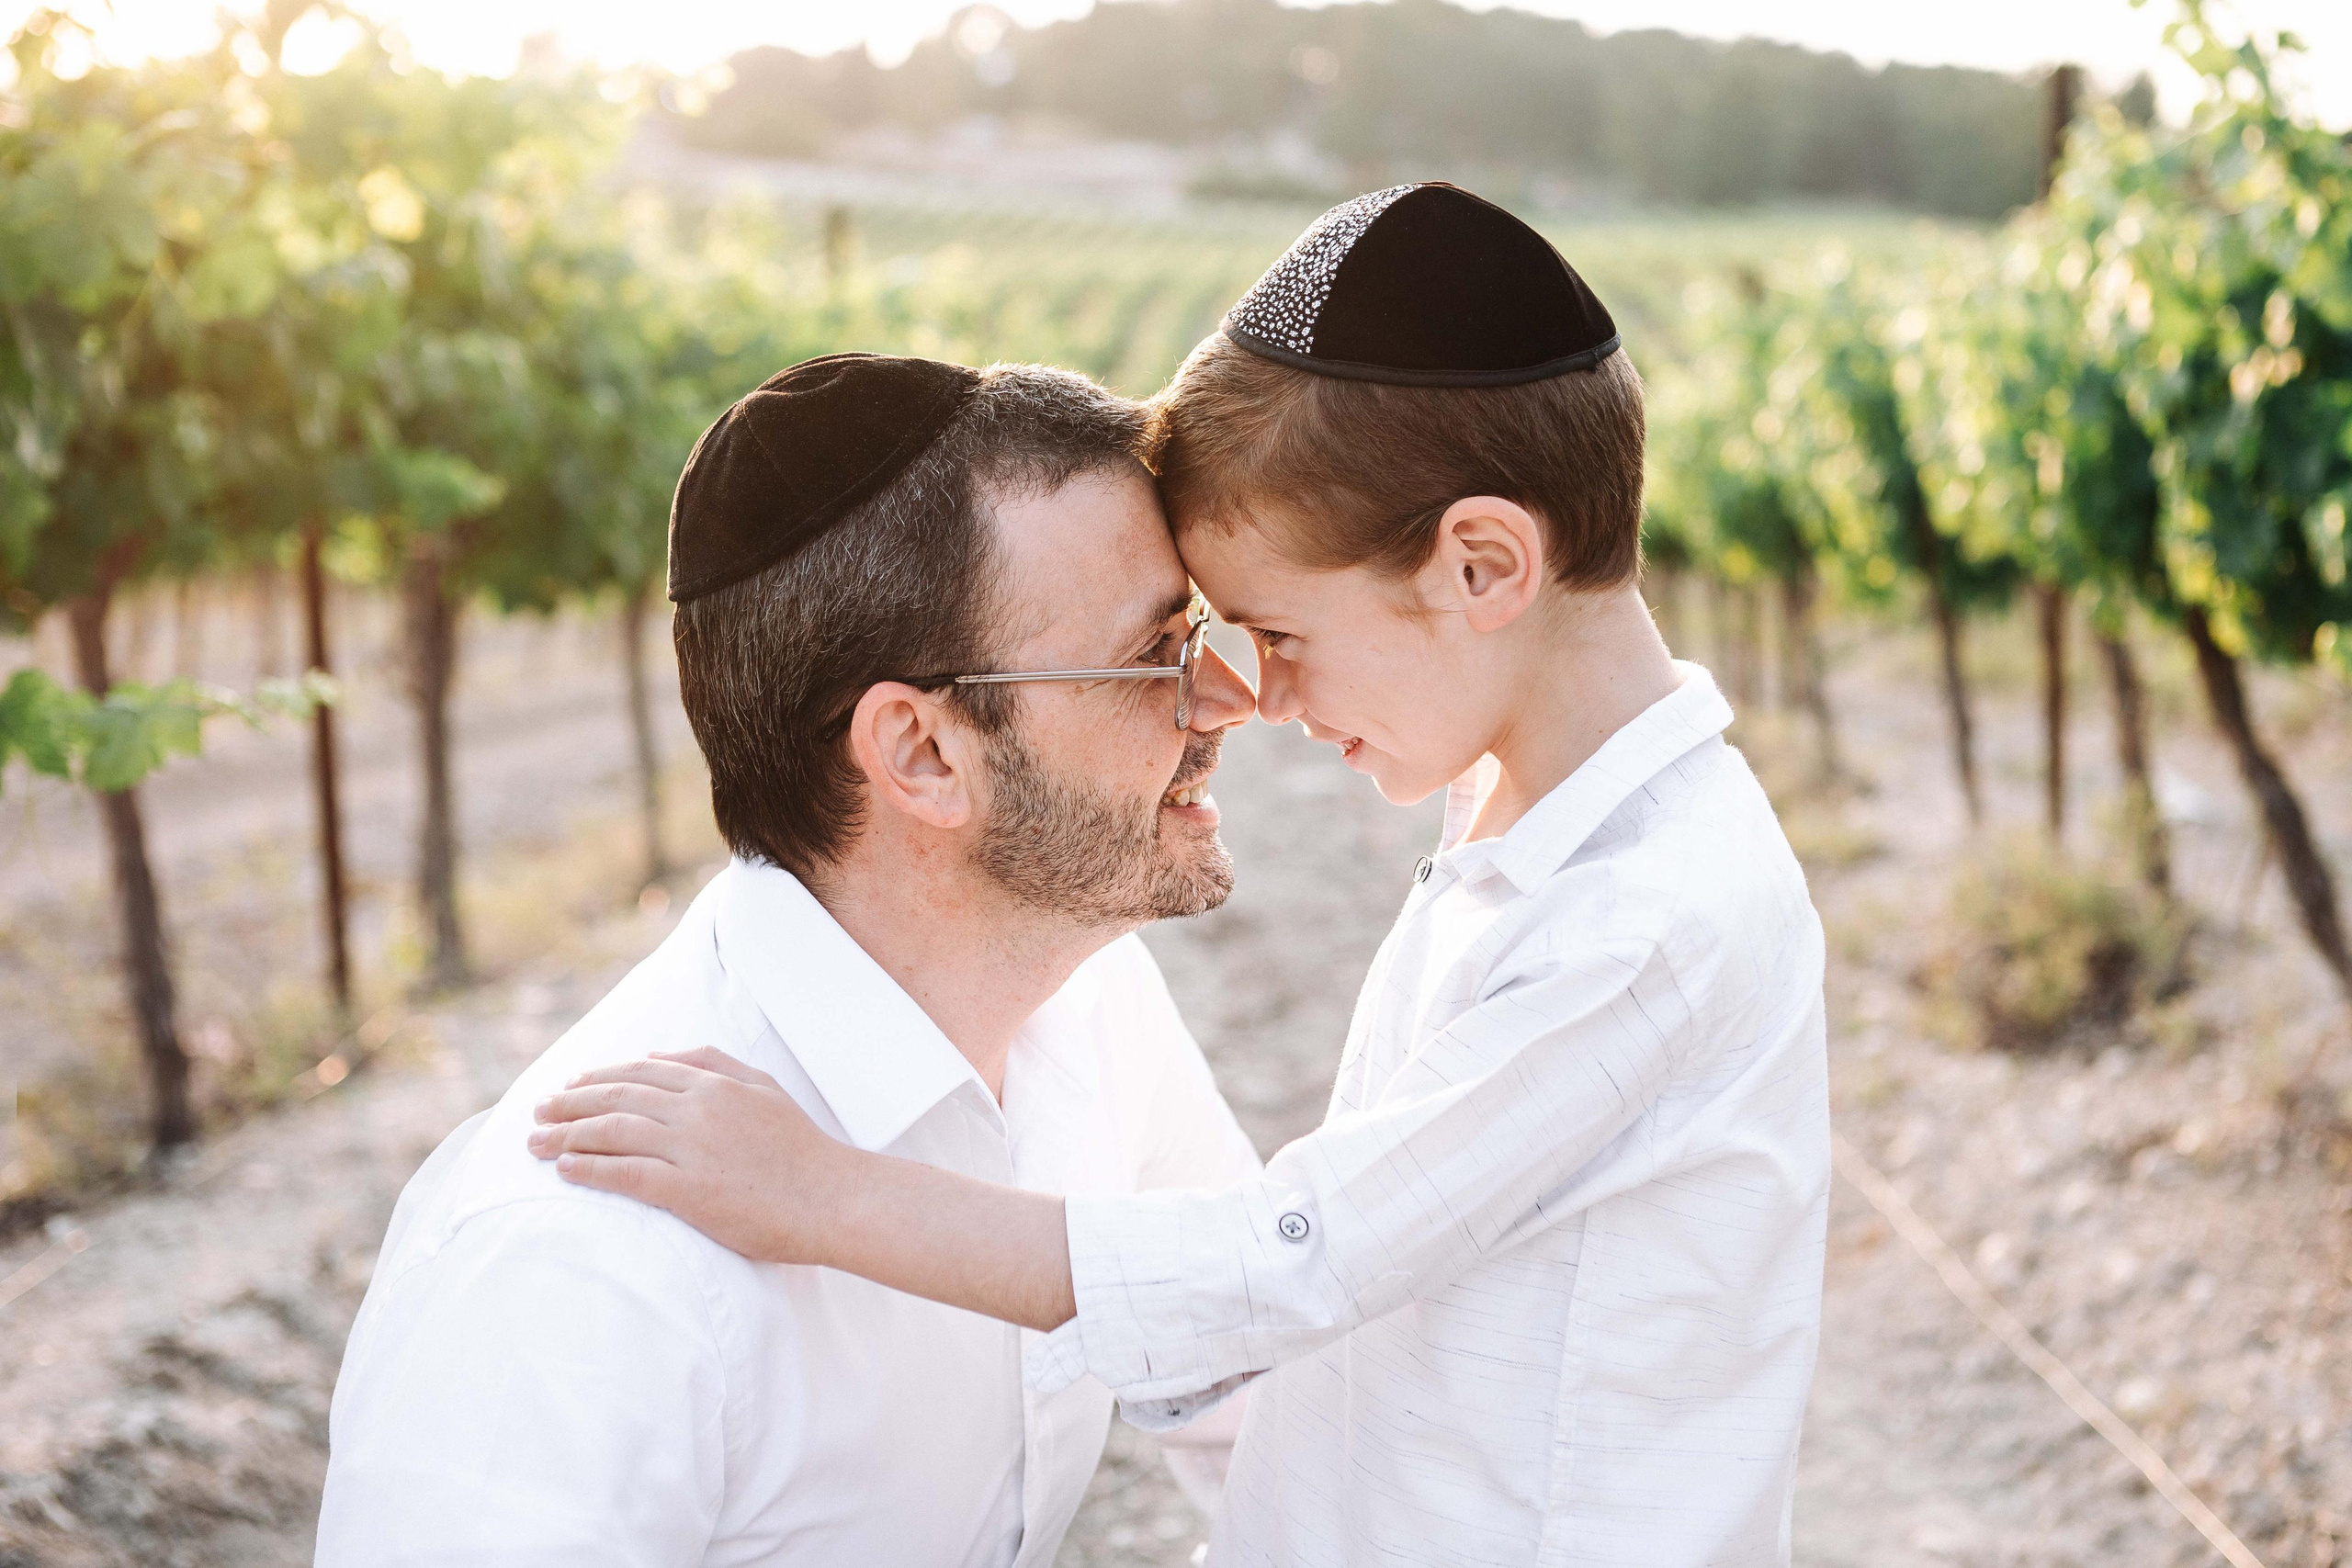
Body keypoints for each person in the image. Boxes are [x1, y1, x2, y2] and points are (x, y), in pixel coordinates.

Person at [534, 184, 1832, 1566]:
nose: (1251, 696)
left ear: (1482, 564)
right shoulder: (1530, 821)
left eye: (1276, 631)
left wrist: (822, 1193)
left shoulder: (1649, 918)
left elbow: (1296, 1260)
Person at [316, 354, 1266, 1567]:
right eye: (1158, 655)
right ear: (921, 753)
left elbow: (1260, 1396)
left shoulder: (1091, 1002)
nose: (1231, 696)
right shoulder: (579, 1265)